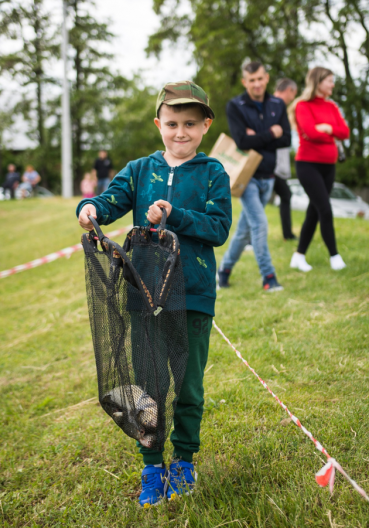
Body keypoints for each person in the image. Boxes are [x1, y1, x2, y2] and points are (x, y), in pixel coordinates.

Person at [77, 80, 232, 506]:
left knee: (188, 386)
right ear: (157, 123)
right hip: (143, 294)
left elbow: (218, 228)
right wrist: (90, 209)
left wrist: (174, 214)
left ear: (205, 126)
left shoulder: (213, 172)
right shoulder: (140, 169)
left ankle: (183, 460)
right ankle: (152, 465)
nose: (180, 132)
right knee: (148, 385)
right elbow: (110, 200)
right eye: (171, 123)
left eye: (189, 124)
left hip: (194, 296)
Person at [217, 61, 291, 292]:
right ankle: (269, 278)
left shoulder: (278, 104)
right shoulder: (235, 105)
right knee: (259, 224)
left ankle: (223, 272)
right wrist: (271, 132)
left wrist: (257, 136)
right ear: (244, 82)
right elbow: (242, 141)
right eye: (251, 80)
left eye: (260, 78)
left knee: (244, 231)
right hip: (246, 177)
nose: (256, 84)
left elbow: (287, 138)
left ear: (266, 78)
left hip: (269, 176)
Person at [289, 67, 350, 272]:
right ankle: (334, 256)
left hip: (329, 166)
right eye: (330, 81)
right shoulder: (302, 105)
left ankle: (298, 256)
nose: (333, 85)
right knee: (324, 208)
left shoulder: (332, 106)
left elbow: (345, 132)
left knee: (314, 211)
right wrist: (326, 133)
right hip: (307, 165)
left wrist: (328, 128)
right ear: (318, 81)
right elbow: (310, 133)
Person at [273, 78, 298, 240]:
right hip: (270, 164)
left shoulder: (278, 107)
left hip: (276, 165)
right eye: (293, 94)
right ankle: (287, 234)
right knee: (258, 201)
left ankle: (288, 234)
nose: (292, 99)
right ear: (289, 90)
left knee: (285, 195)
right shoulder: (274, 106)